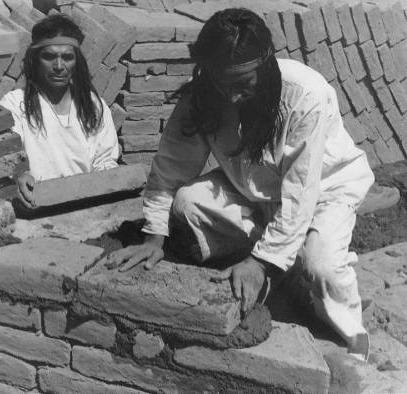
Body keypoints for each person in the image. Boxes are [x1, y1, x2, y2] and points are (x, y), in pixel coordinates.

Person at [103, 8, 374, 361]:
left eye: (243, 84)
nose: (232, 97)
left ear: (265, 66)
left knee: (320, 267)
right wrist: (154, 236)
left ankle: (353, 335)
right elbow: (171, 165)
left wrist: (261, 263)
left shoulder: (305, 95)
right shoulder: (203, 97)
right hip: (254, 190)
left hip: (324, 190)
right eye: (223, 84)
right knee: (187, 203)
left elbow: (300, 192)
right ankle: (279, 270)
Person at [0, 14, 119, 208]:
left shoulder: (93, 105)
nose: (59, 66)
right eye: (49, 56)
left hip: (86, 203)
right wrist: (20, 175)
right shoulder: (15, 104)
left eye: (67, 57)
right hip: (35, 204)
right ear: (35, 60)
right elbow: (9, 160)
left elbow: (105, 160)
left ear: (76, 62)